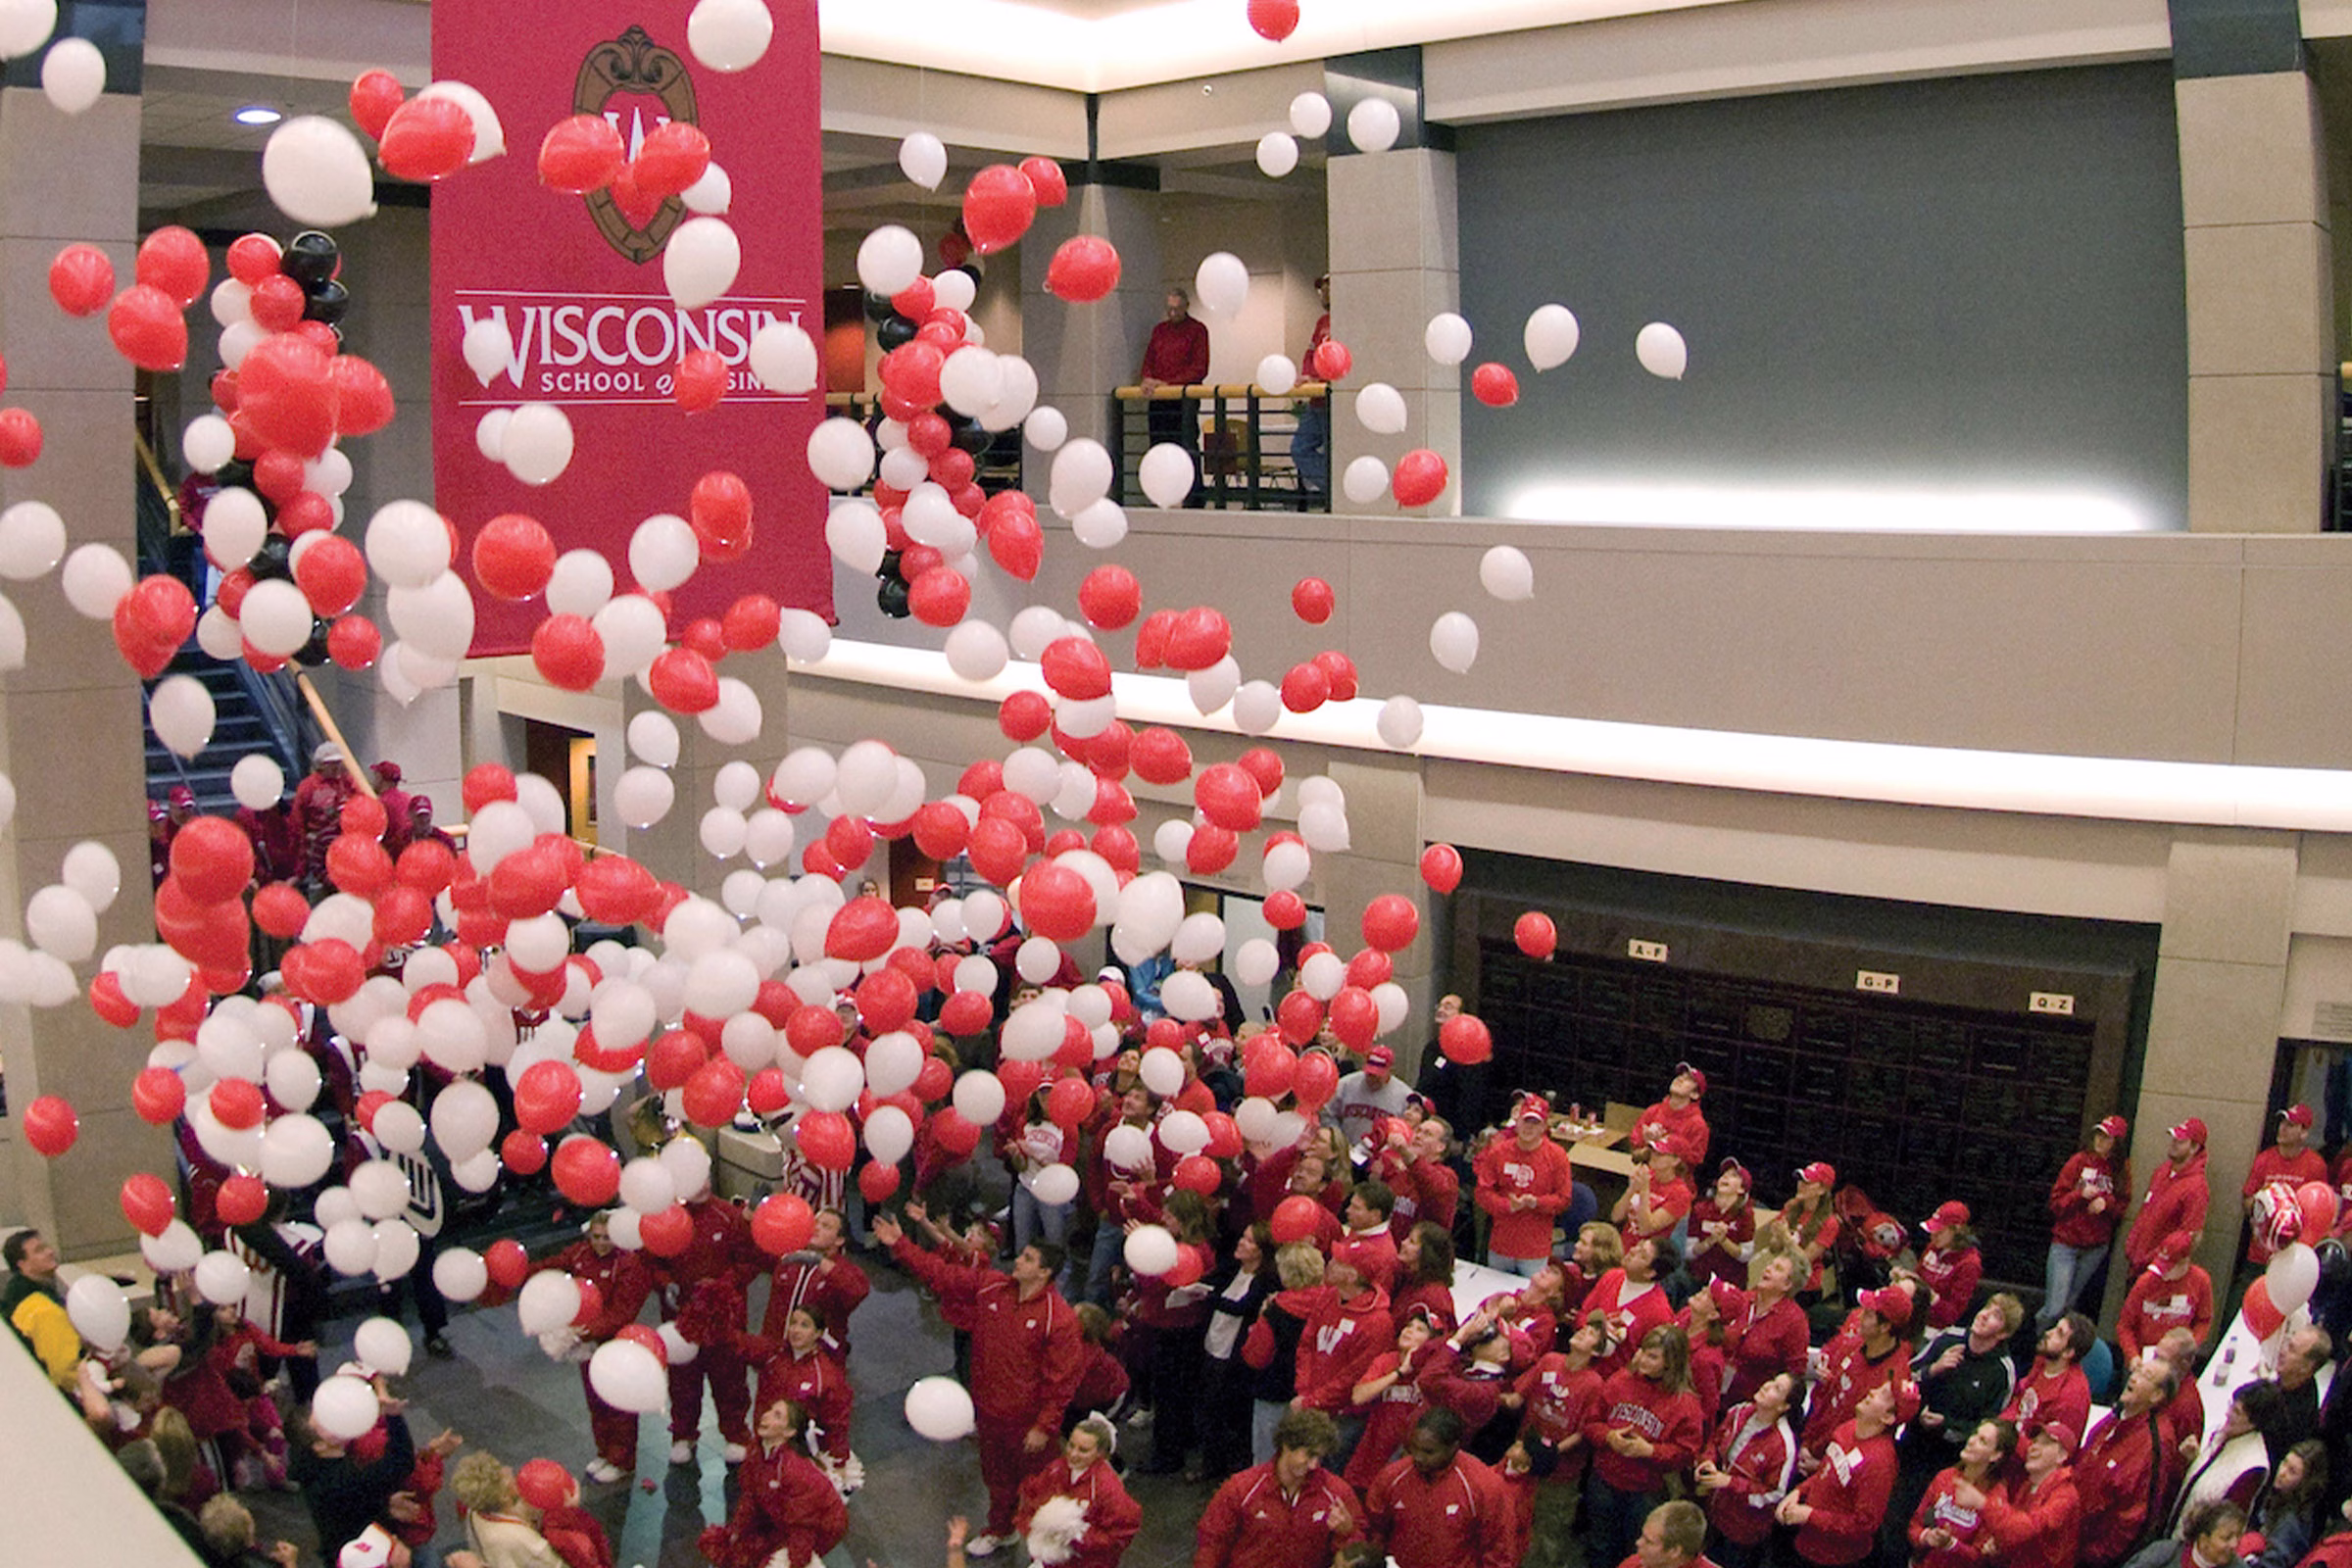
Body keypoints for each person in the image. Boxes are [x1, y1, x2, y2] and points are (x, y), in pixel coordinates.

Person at [874, 1210, 1085, 1556]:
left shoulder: (1057, 1318)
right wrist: (900, 1243)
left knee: (1041, 1488)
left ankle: (1047, 1551)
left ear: (1045, 1272)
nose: (1018, 1260)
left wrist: (1044, 1426)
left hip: (1027, 1423)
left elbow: (1062, 1380)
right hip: (989, 1412)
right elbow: (941, 1275)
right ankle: (1001, 1530)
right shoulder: (992, 1285)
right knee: (997, 1481)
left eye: (1028, 1258)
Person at [532, 1211, 655, 1484]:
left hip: (616, 1345)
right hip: (588, 1346)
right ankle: (605, 1451)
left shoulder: (629, 1264)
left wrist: (586, 1331)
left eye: (608, 1237)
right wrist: (524, 1273)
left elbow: (623, 1311)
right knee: (596, 1402)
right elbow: (553, 1265)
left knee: (619, 1404)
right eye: (596, 1237)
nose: (601, 1243)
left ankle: (623, 1460)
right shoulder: (579, 1254)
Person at [1899, 1295, 2026, 1555]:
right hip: (1913, 1446)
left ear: (2002, 1333)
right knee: (1899, 1522)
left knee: (1936, 1535)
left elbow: (1992, 1429)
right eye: (1986, 1307)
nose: (1984, 1314)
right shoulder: (1948, 1338)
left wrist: (1947, 1425)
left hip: (1952, 1462)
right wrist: (1933, 1369)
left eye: (1996, 1316)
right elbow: (1904, 1376)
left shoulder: (2002, 1372)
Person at [659, 1174, 763, 1465]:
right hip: (682, 1318)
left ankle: (736, 1434)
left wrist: (721, 1286)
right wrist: (666, 1282)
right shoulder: (666, 1219)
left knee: (730, 1376)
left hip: (724, 1319)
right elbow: (652, 1261)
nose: (703, 1185)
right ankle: (683, 1434)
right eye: (695, 1180)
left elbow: (749, 1260)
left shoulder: (729, 1217)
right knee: (682, 1378)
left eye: (706, 1178)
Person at [1584, 1323, 1705, 1568]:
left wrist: (1650, 1451)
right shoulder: (1620, 1380)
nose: (1641, 1359)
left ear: (1670, 1363)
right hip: (1604, 1480)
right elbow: (1591, 1422)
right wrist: (1609, 1437)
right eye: (1642, 1350)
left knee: (1638, 1550)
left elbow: (1687, 1452)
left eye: (1652, 1356)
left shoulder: (1686, 1404)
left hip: (1645, 1492)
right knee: (1598, 1544)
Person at [1196, 1404, 1362, 1568]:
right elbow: (1212, 1545)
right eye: (1310, 1455)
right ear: (1287, 1445)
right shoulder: (1241, 1489)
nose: (1314, 1465)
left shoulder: (1336, 1493)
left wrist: (1347, 1533)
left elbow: (1358, 1552)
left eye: (1320, 1458)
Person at [698, 1397, 847, 1568]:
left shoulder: (795, 1470)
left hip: (821, 1526)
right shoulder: (757, 1452)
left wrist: (795, 1562)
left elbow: (802, 1528)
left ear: (790, 1431)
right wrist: (737, 1531)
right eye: (769, 1410)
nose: (766, 1416)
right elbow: (751, 1496)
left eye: (777, 1415)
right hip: (782, 1516)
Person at [1778, 1377, 1911, 1567]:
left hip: (1835, 1558)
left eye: (1883, 1395)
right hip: (1807, 1541)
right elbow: (1826, 1470)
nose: (1872, 1391)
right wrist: (1799, 1491)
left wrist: (1810, 1515)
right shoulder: (1849, 1428)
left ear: (1888, 1418)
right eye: (1878, 1386)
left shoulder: (1879, 1463)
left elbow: (1863, 1525)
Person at [1363, 1406, 1516, 1568]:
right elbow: (1375, 1532)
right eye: (1414, 1448)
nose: (1418, 1457)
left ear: (1454, 1447)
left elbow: (1499, 1550)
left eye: (1429, 1452)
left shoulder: (1484, 1486)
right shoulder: (1391, 1477)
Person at [2077, 1356, 2179, 1568]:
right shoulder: (2118, 1415)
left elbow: (2136, 1517)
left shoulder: (2155, 1444)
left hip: (2095, 1557)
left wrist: (2096, 1556)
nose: (2134, 1377)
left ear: (2157, 1395)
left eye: (2145, 1376)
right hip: (2072, 1537)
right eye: (2138, 1371)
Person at [1694, 1370, 1800, 1568]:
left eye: (1777, 1388)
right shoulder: (1739, 1412)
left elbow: (1775, 1494)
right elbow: (1715, 1441)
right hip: (1715, 1511)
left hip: (1743, 1530)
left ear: (1784, 1406)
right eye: (1772, 1380)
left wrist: (1730, 1483)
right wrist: (1708, 1460)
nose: (1767, 1385)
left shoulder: (1783, 1445)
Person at [1802, 1285, 1915, 1464]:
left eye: (1869, 1314)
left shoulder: (1893, 1380)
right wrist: (1806, 1442)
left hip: (1834, 1465)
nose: (1860, 1317)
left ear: (1885, 1326)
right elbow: (1825, 1395)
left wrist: (1825, 1465)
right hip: (1810, 1446)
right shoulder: (1854, 1346)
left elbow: (1870, 1439)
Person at [1200, 1222, 1278, 1480]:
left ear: (1261, 1251)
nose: (1241, 1243)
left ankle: (1230, 1472)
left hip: (1236, 1357)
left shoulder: (1265, 1281)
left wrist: (1209, 1298)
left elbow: (1242, 1307)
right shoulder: (1232, 1268)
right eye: (1242, 1237)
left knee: (1230, 1415)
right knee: (1209, 1409)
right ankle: (1210, 1466)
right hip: (1214, 1344)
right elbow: (1210, 1282)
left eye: (1249, 1241)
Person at [1015, 1412, 1143, 1568]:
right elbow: (1032, 1497)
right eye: (1071, 1445)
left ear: (1101, 1454)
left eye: (1083, 1450)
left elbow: (1119, 1535)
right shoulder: (1056, 1469)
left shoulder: (1108, 1490)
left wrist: (1077, 1536)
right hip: (1052, 1557)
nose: (1073, 1454)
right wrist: (1033, 1527)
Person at [1476, 1093, 1577, 1276]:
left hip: (1535, 1250)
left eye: (1535, 1123)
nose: (1529, 1128)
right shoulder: (1499, 1152)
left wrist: (1537, 1203)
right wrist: (1507, 1205)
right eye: (1526, 1121)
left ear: (1544, 1127)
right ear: (1517, 1121)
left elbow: (1564, 1199)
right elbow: (1483, 1192)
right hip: (1501, 1245)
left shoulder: (1557, 1156)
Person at [2046, 1116, 2132, 1329]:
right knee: (2054, 1308)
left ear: (2117, 1143)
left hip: (2095, 1247)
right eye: (2099, 1134)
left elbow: (2123, 1205)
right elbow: (2056, 1203)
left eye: (2108, 1138)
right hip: (2066, 1243)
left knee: (2069, 1306)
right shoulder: (2078, 1161)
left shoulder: (2122, 1171)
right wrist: (2079, 1195)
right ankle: (2041, 1345)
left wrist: (2107, 1202)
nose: (2101, 1141)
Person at [758, 1204, 871, 1359]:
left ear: (839, 1240)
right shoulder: (790, 1256)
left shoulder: (844, 1270)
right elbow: (749, 1253)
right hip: (776, 1350)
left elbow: (857, 1291)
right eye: (814, 1223)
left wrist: (821, 1262)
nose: (816, 1228)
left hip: (817, 1359)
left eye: (825, 1226)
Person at [2173, 1382, 2287, 1530]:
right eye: (2231, 1405)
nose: (2228, 1413)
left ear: (2254, 1423)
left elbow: (2225, 1521)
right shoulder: (2225, 1433)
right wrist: (2192, 1461)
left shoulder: (2253, 1468)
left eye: (2237, 1412)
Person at [1975, 1420, 2085, 1568]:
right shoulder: (2028, 1486)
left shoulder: (2065, 1496)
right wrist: (1997, 1544)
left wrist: (1984, 1504)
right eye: (2034, 1442)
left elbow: (2029, 1529)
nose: (2033, 1448)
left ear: (2062, 1456)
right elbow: (2013, 1531)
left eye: (2045, 1443)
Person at [1910, 1417, 2015, 1568]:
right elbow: (1914, 1525)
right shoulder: (1945, 1477)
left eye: (1982, 1441)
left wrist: (1951, 1544)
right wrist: (1926, 1536)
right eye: (1974, 1434)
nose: (1971, 1441)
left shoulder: (1995, 1497)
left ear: (1996, 1455)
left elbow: (1981, 1557)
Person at [1138, 288, 1210, 506]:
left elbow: (1199, 368)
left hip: (1184, 397)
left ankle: (1194, 496)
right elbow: (1149, 359)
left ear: (1186, 307)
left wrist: (1170, 384)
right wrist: (1148, 379)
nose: (1172, 314)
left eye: (1177, 309)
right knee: (1158, 444)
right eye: (1169, 309)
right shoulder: (1160, 331)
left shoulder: (1198, 330)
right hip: (1160, 398)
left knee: (1186, 444)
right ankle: (1160, 494)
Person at [1724, 1248, 1811, 1405]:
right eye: (1770, 1264)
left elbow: (1794, 1375)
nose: (1768, 1268)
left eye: (1777, 1269)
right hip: (1717, 1388)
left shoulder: (1794, 1321)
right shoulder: (1744, 1299)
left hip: (1752, 1401)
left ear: (1787, 1284)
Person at [2247, 1107, 2330, 1268]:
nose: (2282, 1128)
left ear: (2304, 1132)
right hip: (2260, 1253)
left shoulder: (2315, 1165)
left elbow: (2320, 1210)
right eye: (2282, 1123)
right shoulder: (2264, 1159)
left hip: (2293, 1254)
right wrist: (2265, 1208)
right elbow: (2247, 1198)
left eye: (2290, 1125)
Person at [1584, 1234, 1678, 1377]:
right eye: (1638, 1246)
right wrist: (1595, 1327)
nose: (1632, 1251)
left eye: (1642, 1255)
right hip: (1582, 1362)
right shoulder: (1613, 1276)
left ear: (1650, 1273)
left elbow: (1648, 1361)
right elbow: (1583, 1313)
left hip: (1612, 1380)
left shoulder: (1659, 1313)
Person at [2127, 1120, 2212, 1275]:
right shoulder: (2162, 1172)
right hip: (2136, 1262)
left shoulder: (2196, 1187)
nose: (2174, 1144)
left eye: (2181, 1141)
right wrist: (2132, 1247)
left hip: (2160, 1271)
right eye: (2174, 1139)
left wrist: (2157, 1260)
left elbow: (2189, 1236)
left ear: (2194, 1148)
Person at [2003, 1313, 2095, 1455]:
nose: (2047, 1333)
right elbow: (2019, 1402)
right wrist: (1999, 1428)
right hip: (2012, 1443)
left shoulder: (2072, 1397)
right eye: (2054, 1327)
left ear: (2068, 1353)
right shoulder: (2043, 1362)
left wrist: (2005, 1439)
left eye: (2059, 1334)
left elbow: (2048, 1453)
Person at [450, 1452, 562, 1568]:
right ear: (503, 1496)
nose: (509, 1469)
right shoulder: (523, 1539)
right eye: (505, 1475)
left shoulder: (474, 1511)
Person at [2118, 1231, 2215, 1362]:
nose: (2162, 1273)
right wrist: (2133, 1356)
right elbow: (2125, 1325)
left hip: (2177, 1359)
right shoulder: (2145, 1282)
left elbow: (2204, 1320)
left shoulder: (2201, 1281)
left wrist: (2191, 1346)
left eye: (2168, 1268)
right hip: (2144, 1356)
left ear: (2184, 1263)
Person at [2, 1228, 80, 1384]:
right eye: (39, 1251)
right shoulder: (36, 1305)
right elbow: (64, 1371)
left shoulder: (39, 1286)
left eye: (46, 1246)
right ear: (22, 1265)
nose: (50, 1252)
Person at [2247, 1440, 2330, 1568]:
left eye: (2292, 1472)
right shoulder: (2277, 1494)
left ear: (2305, 1482)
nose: (2282, 1473)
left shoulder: (2292, 1523)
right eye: (2284, 1462)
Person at [1765, 1163, 1842, 1297]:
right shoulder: (1791, 1208)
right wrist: (1777, 1236)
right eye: (1800, 1180)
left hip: (1806, 1285)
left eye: (1808, 1182)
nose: (1801, 1185)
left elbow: (1805, 1260)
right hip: (1780, 1277)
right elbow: (1773, 1248)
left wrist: (1786, 1238)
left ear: (1822, 1190)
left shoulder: (1830, 1223)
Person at [1289, 273, 1331, 500]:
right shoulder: (1322, 322)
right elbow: (1311, 353)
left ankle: (1336, 489)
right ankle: (1332, 486)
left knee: (1334, 451)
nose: (1323, 293)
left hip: (1333, 400)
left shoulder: (1344, 322)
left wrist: (1319, 378)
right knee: (1300, 449)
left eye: (1327, 287)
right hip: (1316, 401)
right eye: (1321, 288)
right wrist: (1307, 375)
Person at [1688, 1158, 1759, 1293]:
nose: (1726, 1176)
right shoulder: (1700, 1209)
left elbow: (1746, 1255)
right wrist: (1710, 1241)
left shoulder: (1745, 1216)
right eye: (1724, 1174)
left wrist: (1724, 1241)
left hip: (1731, 1283)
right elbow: (1689, 1252)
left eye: (1734, 1176)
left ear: (1741, 1189)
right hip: (1699, 1279)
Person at [1327, 1047, 1415, 1152]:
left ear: (1390, 1070)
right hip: (1344, 1150)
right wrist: (1339, 1141)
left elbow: (1409, 1131)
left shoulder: (1405, 1096)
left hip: (1382, 1159)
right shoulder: (1345, 1084)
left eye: (1377, 1075)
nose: (1372, 1079)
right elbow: (1327, 1114)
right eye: (1369, 1074)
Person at [1919, 1201, 1984, 1332]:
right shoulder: (1933, 1247)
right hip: (1915, 1320)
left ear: (1957, 1231)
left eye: (1940, 1232)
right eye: (1932, 1231)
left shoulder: (1969, 1264)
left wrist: (1932, 1298)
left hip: (1934, 1330)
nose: (1933, 1236)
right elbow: (1919, 1277)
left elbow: (1952, 1314)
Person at [1631, 1064, 1711, 1167]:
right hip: (1646, 1173)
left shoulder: (1698, 1125)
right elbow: (1634, 1146)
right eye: (1679, 1076)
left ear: (1695, 1095)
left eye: (1688, 1080)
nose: (1680, 1079)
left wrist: (1667, 1141)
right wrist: (1645, 1140)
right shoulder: (1653, 1111)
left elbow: (1693, 1163)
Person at [2123, 1501, 2246, 1568]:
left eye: (2238, 1536)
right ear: (2203, 1540)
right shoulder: (2163, 1553)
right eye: (2226, 1538)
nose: (2234, 1544)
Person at [1334, 1180, 1402, 1296]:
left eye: (1356, 1208)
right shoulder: (1360, 1228)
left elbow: (1377, 1298)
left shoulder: (1382, 1256)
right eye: (1350, 1205)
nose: (1348, 1210)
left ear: (1375, 1215)